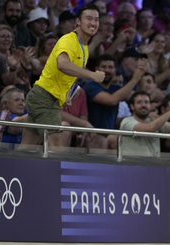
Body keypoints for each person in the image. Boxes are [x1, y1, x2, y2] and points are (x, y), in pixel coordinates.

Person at [19, 3, 106, 148]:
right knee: (56, 146)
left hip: (45, 97)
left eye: (96, 20)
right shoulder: (68, 40)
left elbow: (63, 73)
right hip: (44, 98)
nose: (93, 23)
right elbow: (62, 64)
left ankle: (15, 170)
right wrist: (92, 75)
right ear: (78, 21)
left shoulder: (83, 47)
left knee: (27, 148)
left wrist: (64, 93)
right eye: (88, 18)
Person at [119, 90, 170, 157]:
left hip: (153, 165)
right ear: (132, 106)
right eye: (139, 102)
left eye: (146, 102)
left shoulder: (153, 121)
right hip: (132, 164)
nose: (143, 105)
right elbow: (151, 128)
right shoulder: (127, 121)